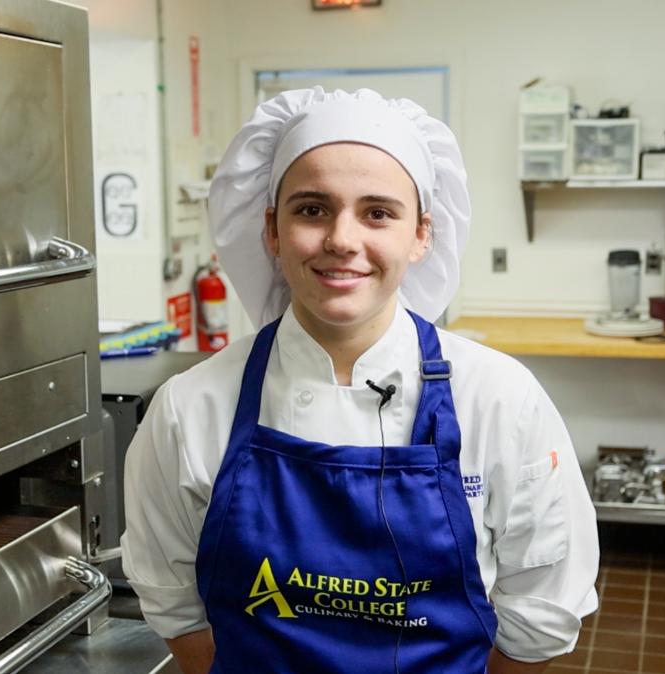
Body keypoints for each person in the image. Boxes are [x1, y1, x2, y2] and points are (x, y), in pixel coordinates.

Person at [121, 87, 598, 674]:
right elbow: (177, 610)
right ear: (272, 229)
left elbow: (540, 613)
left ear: (422, 233)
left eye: (378, 212)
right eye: (312, 209)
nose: (342, 239)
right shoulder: (188, 409)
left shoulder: (501, 399)